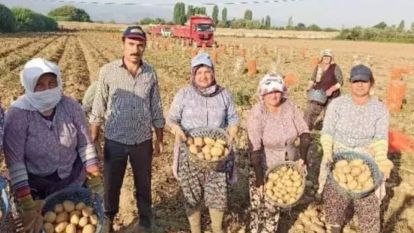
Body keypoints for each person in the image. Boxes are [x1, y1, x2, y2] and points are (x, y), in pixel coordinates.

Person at [3, 58, 102, 233]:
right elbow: (15, 162)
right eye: (39, 85)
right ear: (28, 86)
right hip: (37, 187)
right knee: (43, 225)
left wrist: (94, 179)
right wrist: (27, 203)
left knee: (78, 220)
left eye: (51, 83)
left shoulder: (70, 106)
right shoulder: (17, 115)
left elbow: (84, 144)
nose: (47, 90)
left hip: (73, 178)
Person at [89, 25, 165, 232]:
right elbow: (98, 107)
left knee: (143, 183)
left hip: (142, 140)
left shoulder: (150, 73)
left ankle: (145, 219)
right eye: (131, 44)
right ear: (123, 44)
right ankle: (108, 219)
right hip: (115, 139)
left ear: (145, 47)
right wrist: (93, 141)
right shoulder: (107, 72)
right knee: (111, 184)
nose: (135, 49)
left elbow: (156, 107)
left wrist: (159, 139)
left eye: (140, 45)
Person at [317, 64, 394, 233]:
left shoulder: (380, 109)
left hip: (367, 156)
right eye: (356, 81)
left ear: (371, 83)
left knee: (367, 197)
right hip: (338, 154)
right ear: (350, 83)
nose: (360, 85)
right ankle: (335, 225)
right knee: (334, 193)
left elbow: (381, 138)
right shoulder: (337, 104)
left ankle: (368, 228)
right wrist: (328, 152)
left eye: (364, 81)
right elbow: (328, 130)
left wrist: (381, 158)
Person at [168, 53, 239, 233]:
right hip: (190, 155)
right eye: (199, 72)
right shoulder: (184, 94)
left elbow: (233, 118)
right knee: (191, 195)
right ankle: (196, 229)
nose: (203, 76)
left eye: (207, 71)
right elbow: (171, 119)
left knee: (217, 194)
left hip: (217, 156)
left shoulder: (224, 95)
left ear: (213, 73)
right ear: (193, 74)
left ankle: (216, 228)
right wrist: (176, 129)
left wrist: (232, 132)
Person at [246, 74, 311, 233]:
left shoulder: (290, 106)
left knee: (276, 205)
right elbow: (254, 149)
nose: (274, 95)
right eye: (269, 92)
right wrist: (260, 180)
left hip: (287, 165)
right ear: (262, 93)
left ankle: (270, 229)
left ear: (283, 91)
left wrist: (303, 157)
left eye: (277, 91)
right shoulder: (257, 113)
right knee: (262, 206)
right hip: (262, 165)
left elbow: (304, 132)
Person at [304, 49, 343, 130]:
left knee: (329, 115)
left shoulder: (335, 67)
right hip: (318, 95)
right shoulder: (318, 67)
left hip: (332, 96)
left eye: (328, 57)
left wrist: (331, 89)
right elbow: (312, 79)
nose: (326, 58)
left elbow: (340, 83)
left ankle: (328, 134)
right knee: (310, 112)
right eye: (325, 56)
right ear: (322, 57)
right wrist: (308, 88)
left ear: (331, 58)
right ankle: (305, 131)